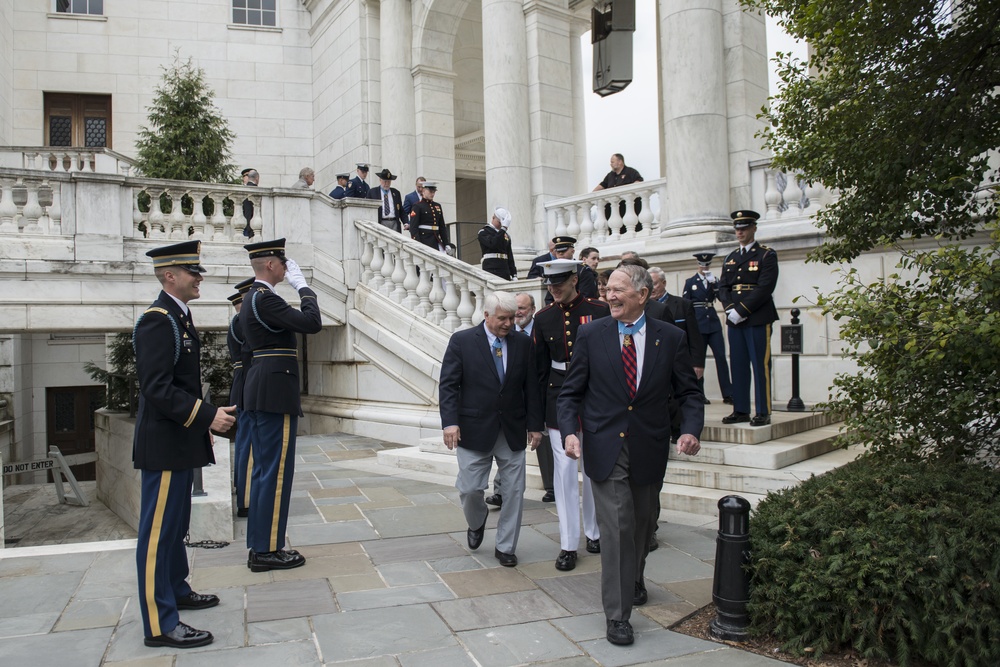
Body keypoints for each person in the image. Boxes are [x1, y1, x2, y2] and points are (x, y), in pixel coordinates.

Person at [557, 264, 703, 647]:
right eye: (608, 289)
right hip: (605, 447)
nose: (610, 295)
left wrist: (690, 429)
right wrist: (570, 432)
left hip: (649, 446)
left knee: (642, 525)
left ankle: (634, 577)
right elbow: (570, 392)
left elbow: (689, 392)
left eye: (619, 289)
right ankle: (618, 615)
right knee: (618, 527)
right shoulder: (591, 334)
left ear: (644, 294)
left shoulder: (670, 337)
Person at [132, 240, 236, 649]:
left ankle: (176, 590)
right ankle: (160, 624)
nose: (200, 278)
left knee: (174, 528)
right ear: (170, 276)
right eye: (193, 272)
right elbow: (156, 388)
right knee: (157, 534)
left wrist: (204, 416)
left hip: (177, 440)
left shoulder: (179, 317)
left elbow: (179, 386)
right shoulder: (159, 320)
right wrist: (207, 414)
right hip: (163, 445)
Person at [439, 292, 544, 567]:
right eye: (503, 318)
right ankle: (477, 521)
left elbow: (531, 386)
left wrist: (535, 426)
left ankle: (506, 546)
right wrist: (450, 423)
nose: (509, 324)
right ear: (486, 316)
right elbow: (449, 385)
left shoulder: (522, 342)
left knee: (514, 492)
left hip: (512, 429)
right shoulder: (462, 341)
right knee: (470, 489)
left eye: (513, 318)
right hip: (473, 429)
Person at [240, 238, 323, 571]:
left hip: (265, 388)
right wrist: (303, 287)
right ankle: (267, 549)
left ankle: (261, 544)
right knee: (274, 474)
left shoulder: (254, 298)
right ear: (271, 266)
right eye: (283, 262)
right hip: (274, 392)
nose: (287, 267)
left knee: (265, 471)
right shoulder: (266, 299)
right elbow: (312, 322)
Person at [533, 259, 610, 572]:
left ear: (575, 280)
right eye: (550, 284)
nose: (554, 289)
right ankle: (568, 543)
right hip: (558, 398)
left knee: (593, 469)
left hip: (594, 398)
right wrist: (535, 419)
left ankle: (593, 532)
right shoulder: (543, 317)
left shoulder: (599, 310)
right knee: (564, 473)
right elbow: (538, 371)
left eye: (560, 282)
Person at [718, 210, 779, 426]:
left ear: (754, 228)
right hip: (734, 319)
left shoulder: (766, 255)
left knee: (759, 366)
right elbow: (723, 287)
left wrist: (742, 310)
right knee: (738, 365)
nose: (740, 232)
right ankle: (741, 409)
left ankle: (763, 411)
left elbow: (765, 288)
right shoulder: (731, 257)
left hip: (757, 317)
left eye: (744, 227)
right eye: (737, 228)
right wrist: (729, 309)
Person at [683, 253, 733, 405]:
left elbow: (721, 297)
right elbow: (686, 304)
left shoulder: (714, 281)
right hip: (698, 324)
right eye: (702, 265)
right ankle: (699, 393)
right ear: (698, 265)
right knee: (699, 360)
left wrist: (715, 285)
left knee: (721, 357)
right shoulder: (690, 281)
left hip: (712, 322)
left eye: (706, 265)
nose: (704, 268)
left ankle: (728, 393)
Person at [226, 277, 255, 518]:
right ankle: (245, 499)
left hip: (242, 381)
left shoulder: (237, 322)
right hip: (247, 382)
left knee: (245, 441)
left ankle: (242, 489)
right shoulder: (242, 322)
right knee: (249, 443)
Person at [541, 237, 597, 304]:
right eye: (558, 251)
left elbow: (586, 296)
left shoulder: (583, 270)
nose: (560, 253)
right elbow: (549, 299)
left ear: (572, 251)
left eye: (563, 251)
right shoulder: (553, 269)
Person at [593, 153, 644, 225]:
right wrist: (592, 193)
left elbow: (639, 181)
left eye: (612, 162)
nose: (610, 164)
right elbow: (602, 185)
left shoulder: (631, 172)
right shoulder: (610, 175)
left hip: (628, 209)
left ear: (620, 162)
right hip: (613, 211)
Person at [408, 181, 451, 252]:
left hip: (436, 240)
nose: (433, 194)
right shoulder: (417, 206)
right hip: (424, 240)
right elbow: (413, 228)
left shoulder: (437, 206)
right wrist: (417, 243)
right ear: (423, 191)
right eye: (430, 191)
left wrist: (446, 243)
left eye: (434, 192)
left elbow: (442, 227)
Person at [478, 207, 517, 280]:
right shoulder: (483, 232)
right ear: (493, 218)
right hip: (491, 267)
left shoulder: (505, 235)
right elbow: (493, 244)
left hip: (504, 268)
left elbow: (509, 254)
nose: (501, 225)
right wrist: (503, 229)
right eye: (499, 223)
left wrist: (514, 274)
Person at [368, 168, 406, 233]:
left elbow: (401, 210)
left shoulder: (396, 193)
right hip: (381, 222)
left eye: (389, 181)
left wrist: (406, 222)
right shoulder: (372, 192)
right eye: (385, 181)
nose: (387, 183)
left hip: (394, 223)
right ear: (380, 180)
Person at [241, 168, 259, 238]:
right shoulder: (243, 190)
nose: (246, 177)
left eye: (248, 175)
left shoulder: (253, 188)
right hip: (246, 225)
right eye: (245, 175)